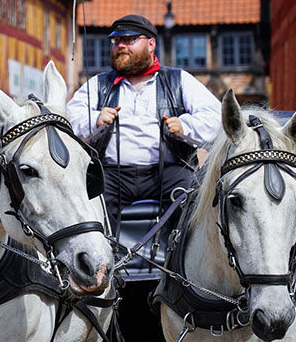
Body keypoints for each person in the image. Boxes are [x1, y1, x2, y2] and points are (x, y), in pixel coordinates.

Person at [67, 14, 222, 233]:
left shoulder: (178, 80)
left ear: (151, 44)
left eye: (129, 40)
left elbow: (215, 118)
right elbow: (70, 119)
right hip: (112, 173)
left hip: (169, 171)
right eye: (117, 41)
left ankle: (182, 263)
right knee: (90, 203)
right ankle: (106, 263)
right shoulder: (99, 84)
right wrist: (95, 119)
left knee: (190, 198)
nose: (121, 45)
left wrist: (185, 126)